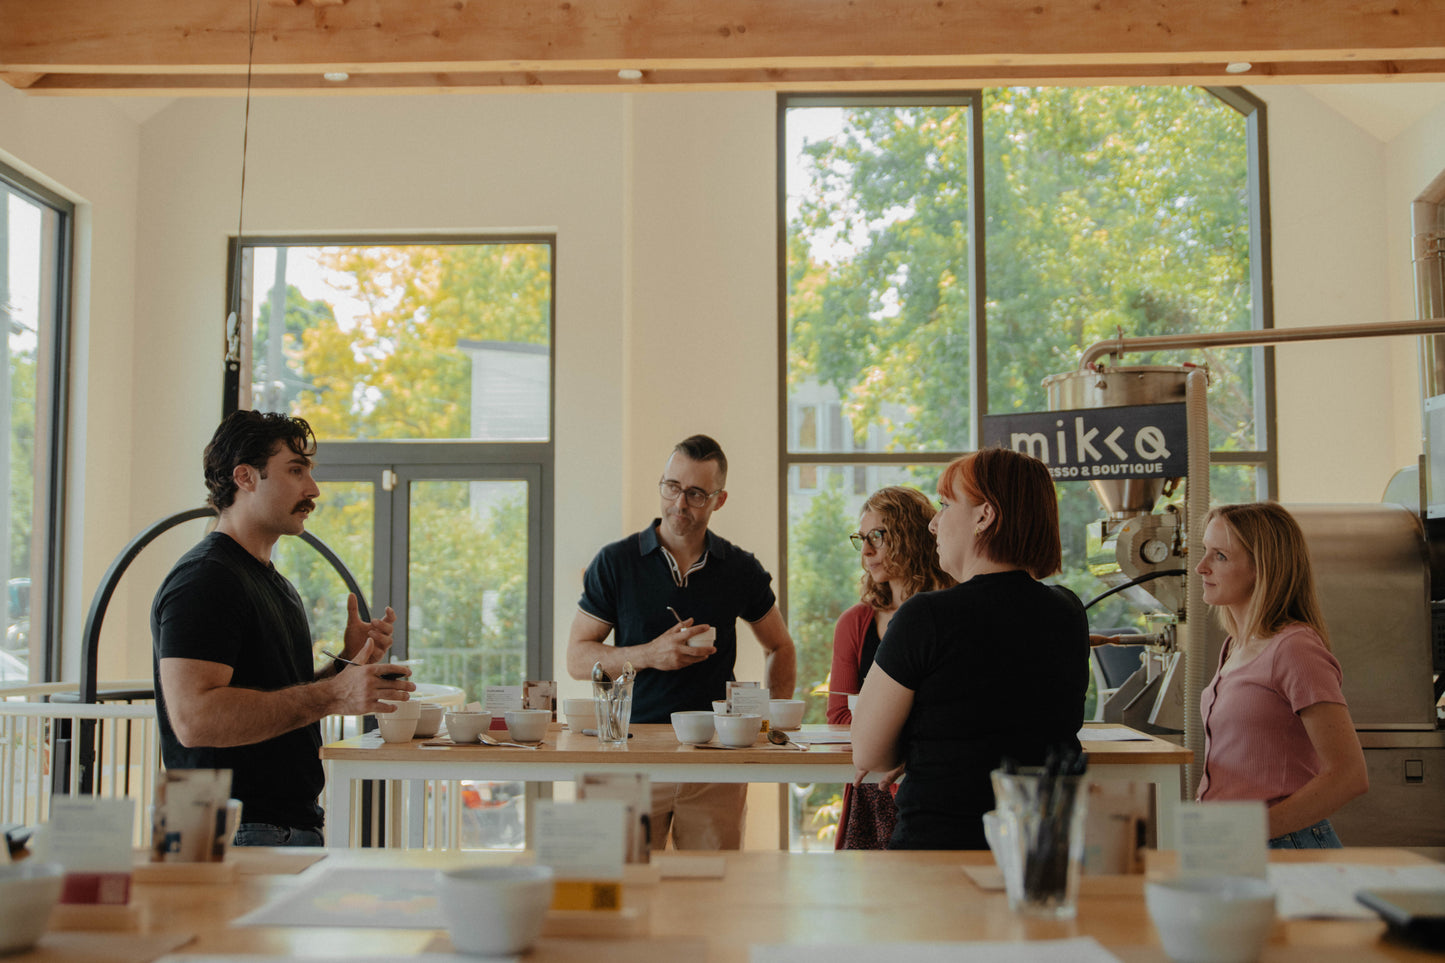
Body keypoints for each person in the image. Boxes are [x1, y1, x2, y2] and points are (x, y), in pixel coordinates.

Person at [152, 410, 411, 847]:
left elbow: (272, 695)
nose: (313, 489)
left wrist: (345, 666)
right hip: (235, 833)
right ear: (245, 477)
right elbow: (196, 719)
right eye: (295, 470)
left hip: (279, 828)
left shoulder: (272, 583)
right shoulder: (205, 578)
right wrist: (334, 694)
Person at [567, 434, 797, 849]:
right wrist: (650, 655)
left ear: (718, 500)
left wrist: (768, 725)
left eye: (695, 493)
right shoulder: (614, 562)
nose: (680, 504)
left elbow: (780, 646)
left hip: (713, 763)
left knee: (711, 902)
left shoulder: (741, 568)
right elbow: (578, 658)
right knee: (614, 896)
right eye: (672, 487)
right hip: (626, 754)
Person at [851, 447, 1089, 850]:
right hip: (1041, 849)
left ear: (984, 516)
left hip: (939, 853)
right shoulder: (1068, 610)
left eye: (945, 505)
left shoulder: (925, 617)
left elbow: (869, 753)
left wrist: (915, 748)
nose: (933, 524)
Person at [1194, 501, 1368, 848]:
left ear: (1263, 567)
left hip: (1283, 845)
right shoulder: (1234, 646)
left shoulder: (1294, 649)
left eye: (1220, 556)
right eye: (1205, 552)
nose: (1201, 568)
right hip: (1230, 842)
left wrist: (1251, 830)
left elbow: (1349, 775)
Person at [828, 486, 954, 850]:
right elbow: (839, 716)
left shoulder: (954, 611)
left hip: (937, 785)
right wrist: (900, 749)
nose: (866, 551)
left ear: (912, 537)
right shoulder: (855, 623)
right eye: (861, 539)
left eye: (877, 538)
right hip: (875, 787)